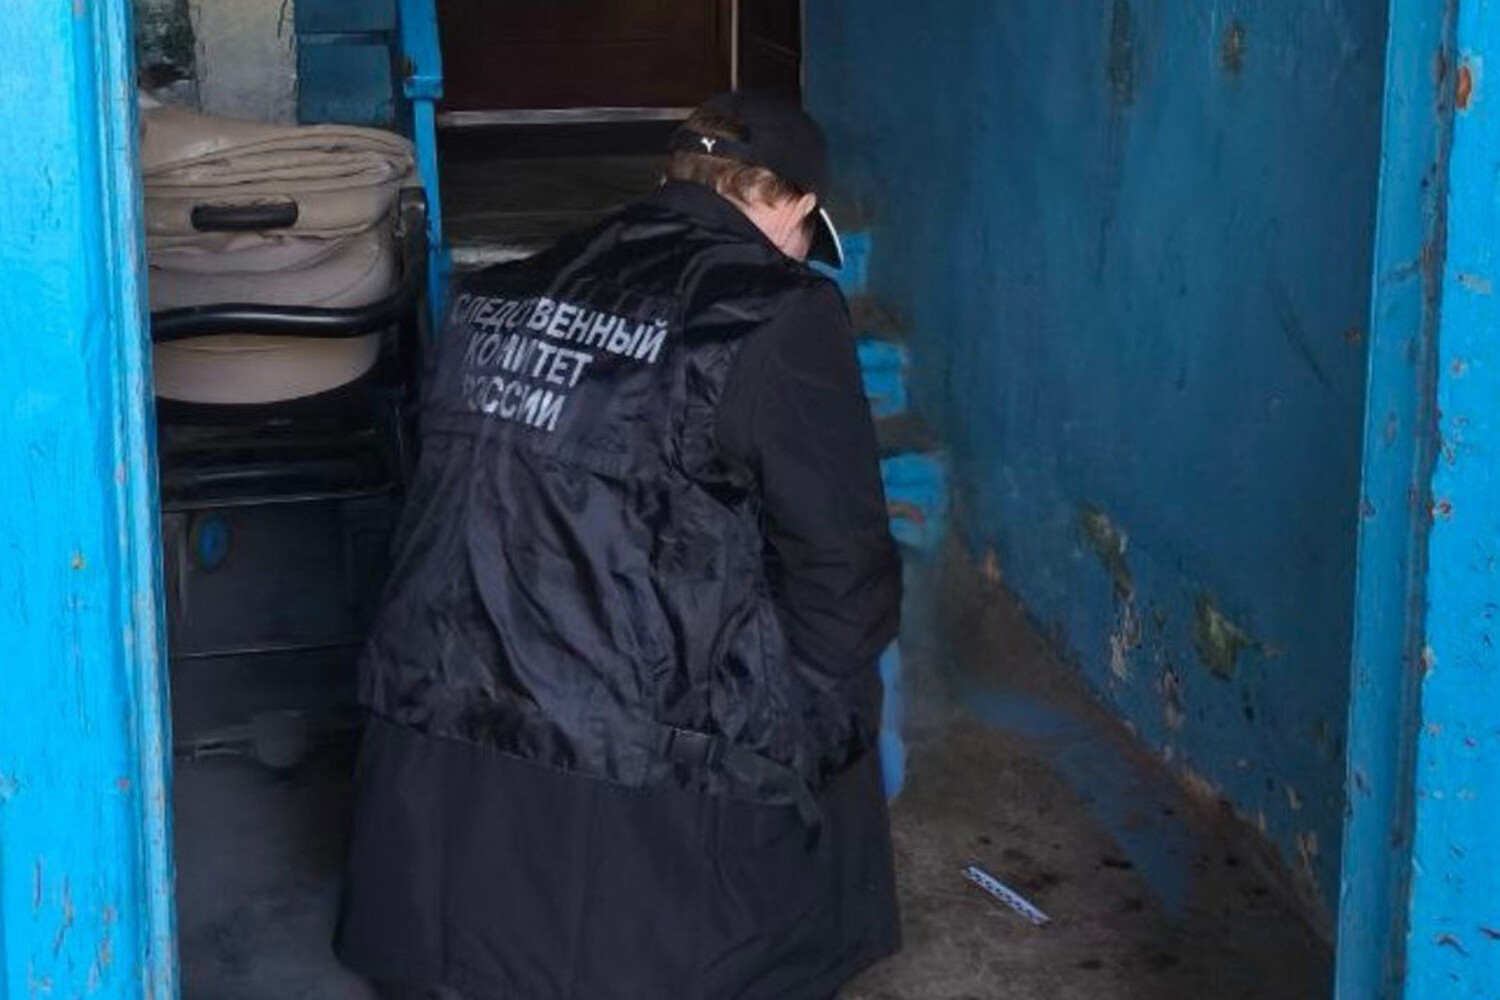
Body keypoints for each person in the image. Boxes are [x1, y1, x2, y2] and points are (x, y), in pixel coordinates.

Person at [335, 91, 903, 1000]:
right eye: (806, 231)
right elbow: (840, 566)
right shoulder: (777, 312)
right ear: (794, 204)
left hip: (436, 699)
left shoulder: (503, 289)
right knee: (843, 664)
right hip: (625, 755)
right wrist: (819, 706)